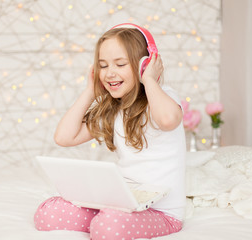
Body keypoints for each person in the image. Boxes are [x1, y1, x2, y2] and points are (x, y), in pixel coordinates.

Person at [34, 23, 186, 240]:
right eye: (103, 66)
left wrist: (149, 79)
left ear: (144, 65)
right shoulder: (113, 107)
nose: (109, 73)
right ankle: (105, 219)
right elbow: (64, 138)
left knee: (108, 225)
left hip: (161, 212)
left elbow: (168, 120)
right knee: (47, 214)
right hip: (122, 202)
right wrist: (90, 90)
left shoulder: (162, 97)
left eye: (120, 64)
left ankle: (106, 221)